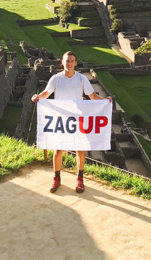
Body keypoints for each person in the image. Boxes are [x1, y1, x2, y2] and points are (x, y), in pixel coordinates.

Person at [32, 51, 112, 194]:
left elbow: (92, 96)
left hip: (77, 118)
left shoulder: (82, 79)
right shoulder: (56, 79)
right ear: (62, 62)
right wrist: (37, 97)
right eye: (66, 61)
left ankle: (80, 179)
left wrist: (105, 101)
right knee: (58, 150)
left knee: (80, 149)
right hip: (61, 118)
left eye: (71, 61)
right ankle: (56, 178)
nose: (69, 63)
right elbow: (46, 94)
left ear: (75, 63)